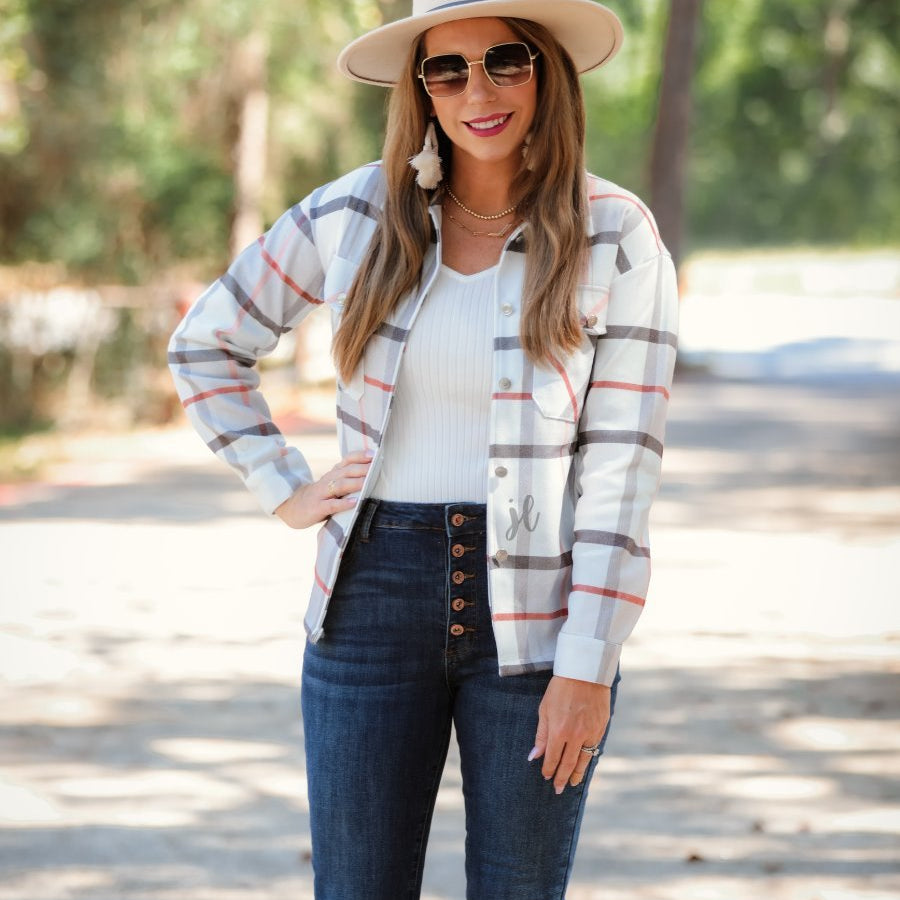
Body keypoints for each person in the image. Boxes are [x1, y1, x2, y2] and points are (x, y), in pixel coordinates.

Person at [169, 1, 678, 896]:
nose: (478, 91)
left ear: (547, 71)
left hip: (538, 616)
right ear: (422, 90)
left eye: (506, 60)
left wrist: (588, 666)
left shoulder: (615, 233)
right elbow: (206, 343)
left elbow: (620, 472)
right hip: (371, 596)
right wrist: (282, 483)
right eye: (448, 69)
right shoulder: (353, 212)